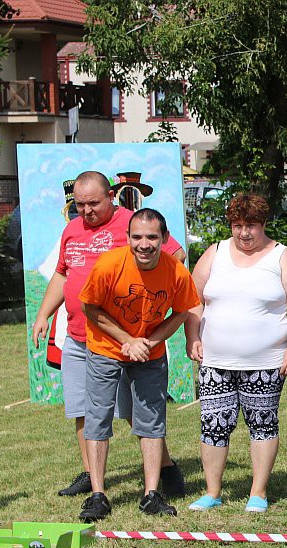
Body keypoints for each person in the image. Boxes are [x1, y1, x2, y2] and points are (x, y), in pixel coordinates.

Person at [31, 171, 187, 498]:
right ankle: (91, 474)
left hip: (126, 340)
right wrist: (44, 314)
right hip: (78, 335)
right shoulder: (72, 230)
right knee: (83, 410)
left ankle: (165, 467)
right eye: (79, 204)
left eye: (93, 203)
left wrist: (148, 300)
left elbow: (175, 256)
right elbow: (62, 274)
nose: (86, 210)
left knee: (136, 410)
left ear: (111, 197)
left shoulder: (135, 224)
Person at [184, 193, 287, 513]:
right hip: (215, 360)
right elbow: (192, 298)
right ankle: (213, 491)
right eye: (237, 225)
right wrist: (192, 336)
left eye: (251, 226)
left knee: (262, 423)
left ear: (263, 224)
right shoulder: (214, 253)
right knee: (213, 424)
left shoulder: (281, 256)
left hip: (266, 362)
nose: (244, 233)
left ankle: (258, 491)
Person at [76, 209, 201, 520]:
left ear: (164, 239)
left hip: (149, 352)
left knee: (151, 420)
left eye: (152, 237)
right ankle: (97, 495)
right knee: (98, 417)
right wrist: (127, 339)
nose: (144, 244)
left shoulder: (176, 272)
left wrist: (151, 342)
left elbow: (182, 312)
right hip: (106, 347)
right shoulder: (108, 265)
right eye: (137, 237)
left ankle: (151, 495)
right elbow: (89, 307)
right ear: (128, 238)